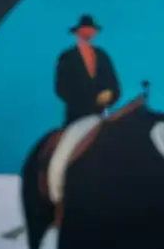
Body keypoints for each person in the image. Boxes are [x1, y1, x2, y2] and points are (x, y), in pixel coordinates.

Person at [46, 15, 121, 219]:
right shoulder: (67, 57)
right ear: (78, 33)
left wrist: (110, 95)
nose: (88, 33)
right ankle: (57, 201)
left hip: (100, 118)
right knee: (60, 159)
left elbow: (115, 85)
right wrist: (89, 100)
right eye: (84, 30)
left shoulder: (103, 56)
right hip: (76, 117)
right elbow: (61, 88)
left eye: (91, 30)